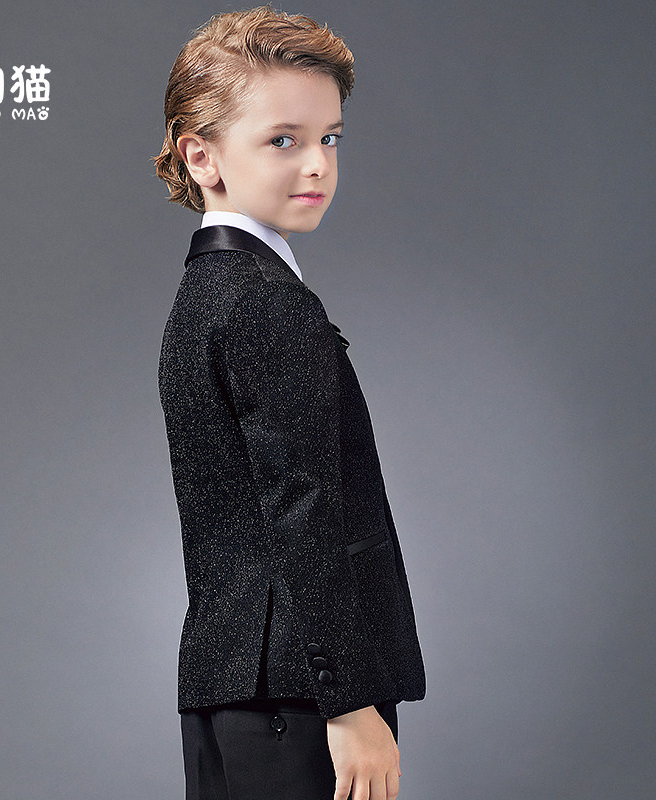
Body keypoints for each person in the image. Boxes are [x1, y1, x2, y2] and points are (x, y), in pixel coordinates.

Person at [154, 7, 425, 799]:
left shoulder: (202, 295)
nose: (317, 165)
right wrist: (350, 704)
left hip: (230, 690)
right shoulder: (267, 301)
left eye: (329, 138)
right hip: (301, 699)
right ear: (201, 155)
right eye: (283, 139)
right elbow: (302, 510)